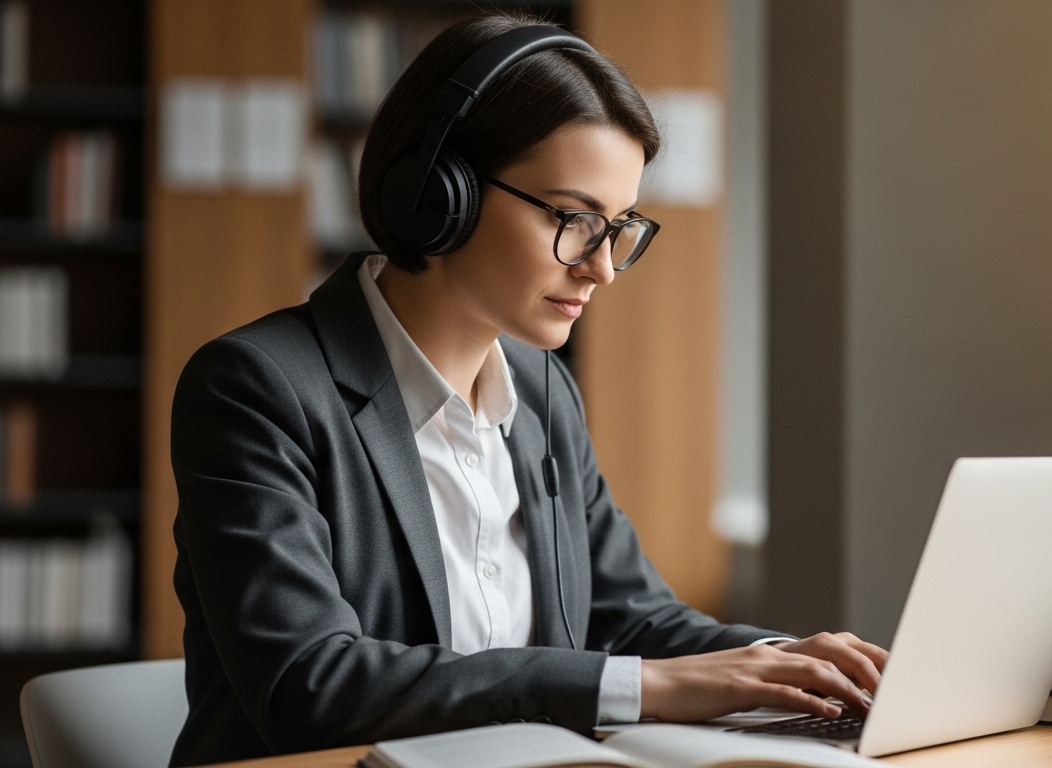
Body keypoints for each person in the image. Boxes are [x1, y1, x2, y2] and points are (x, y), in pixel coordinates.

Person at [167, 11, 886, 767]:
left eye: (618, 227)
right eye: (574, 219)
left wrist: (797, 663)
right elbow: (309, 685)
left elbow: (629, 617)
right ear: (441, 193)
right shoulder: (257, 387)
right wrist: (643, 687)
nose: (601, 268)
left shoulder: (542, 395)